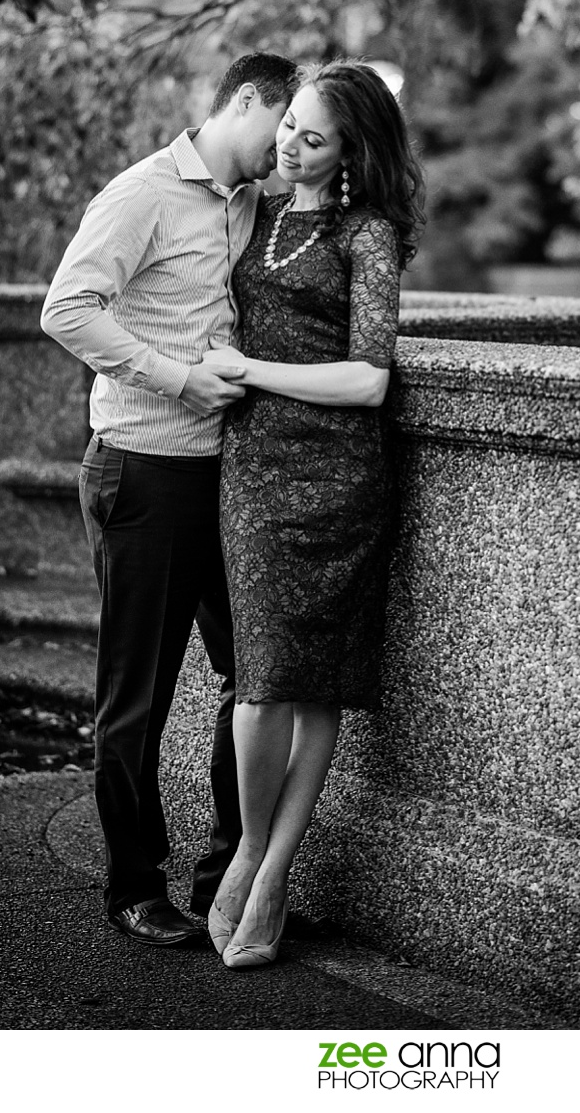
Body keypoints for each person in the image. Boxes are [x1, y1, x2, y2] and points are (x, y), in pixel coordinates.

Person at [40, 51, 300, 947]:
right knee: (138, 694)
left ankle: (229, 882)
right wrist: (178, 377)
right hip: (142, 471)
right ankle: (133, 886)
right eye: (284, 125)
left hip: (223, 476)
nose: (288, 147)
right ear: (245, 100)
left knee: (253, 675)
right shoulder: (143, 192)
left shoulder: (249, 203)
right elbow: (67, 308)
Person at [200, 58, 425, 968]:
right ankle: (249, 846)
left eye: (313, 137)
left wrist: (249, 369)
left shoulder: (368, 235)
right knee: (260, 685)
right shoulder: (253, 211)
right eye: (288, 123)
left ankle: (274, 873)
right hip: (254, 473)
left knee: (318, 685)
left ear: (351, 153)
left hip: (339, 480)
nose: (290, 144)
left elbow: (370, 378)